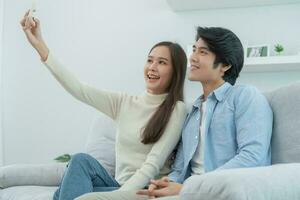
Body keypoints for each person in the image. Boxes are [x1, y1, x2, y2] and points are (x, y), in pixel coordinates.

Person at [75, 27, 273, 200]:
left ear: (225, 66)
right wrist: (164, 183)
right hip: (185, 190)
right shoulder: (193, 111)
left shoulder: (245, 96)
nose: (193, 57)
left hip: (217, 191)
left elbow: (252, 156)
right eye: (194, 49)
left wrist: (190, 186)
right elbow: (179, 169)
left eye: (203, 52)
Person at [20, 10, 188, 200]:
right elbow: (78, 89)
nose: (152, 67)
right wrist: (39, 45)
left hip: (142, 191)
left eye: (162, 62)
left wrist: (117, 196)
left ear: (176, 72)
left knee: (65, 193)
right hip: (116, 185)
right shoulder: (123, 102)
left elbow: (152, 165)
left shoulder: (177, 109)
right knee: (80, 161)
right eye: (150, 60)